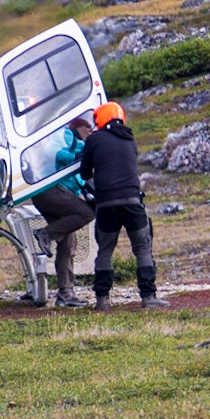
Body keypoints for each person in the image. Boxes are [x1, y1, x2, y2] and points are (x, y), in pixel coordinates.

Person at [78, 101, 167, 311]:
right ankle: (148, 297)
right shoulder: (130, 140)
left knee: (105, 250)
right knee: (143, 248)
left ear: (101, 119)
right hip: (132, 201)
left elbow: (84, 173)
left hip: (106, 203)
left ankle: (102, 300)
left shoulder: (94, 139)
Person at [28, 112, 96, 308]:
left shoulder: (82, 142)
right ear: (79, 127)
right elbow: (56, 154)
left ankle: (66, 293)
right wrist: (80, 154)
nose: (91, 132)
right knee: (86, 213)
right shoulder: (64, 135)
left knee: (68, 242)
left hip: (56, 192)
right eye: (88, 128)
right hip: (50, 189)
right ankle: (45, 234)